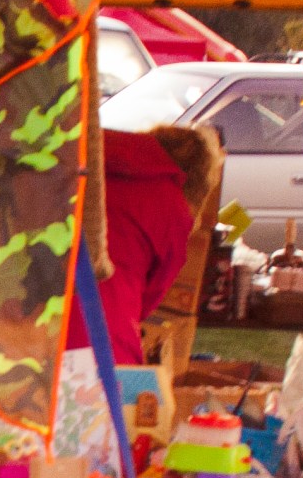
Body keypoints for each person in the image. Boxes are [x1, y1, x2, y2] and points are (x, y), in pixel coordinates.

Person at [64, 125, 220, 363]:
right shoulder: (171, 207)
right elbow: (151, 295)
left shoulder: (80, 161)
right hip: (103, 342)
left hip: (26, 329)